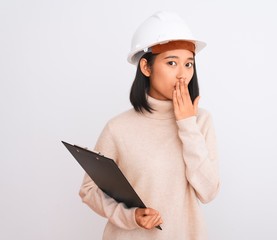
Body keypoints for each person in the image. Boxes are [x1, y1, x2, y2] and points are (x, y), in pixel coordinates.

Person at [79, 10, 220, 240]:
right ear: (146, 67)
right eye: (172, 63)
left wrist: (186, 124)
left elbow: (208, 192)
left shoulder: (200, 121)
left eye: (188, 64)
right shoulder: (118, 128)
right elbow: (89, 190)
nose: (183, 75)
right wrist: (131, 216)